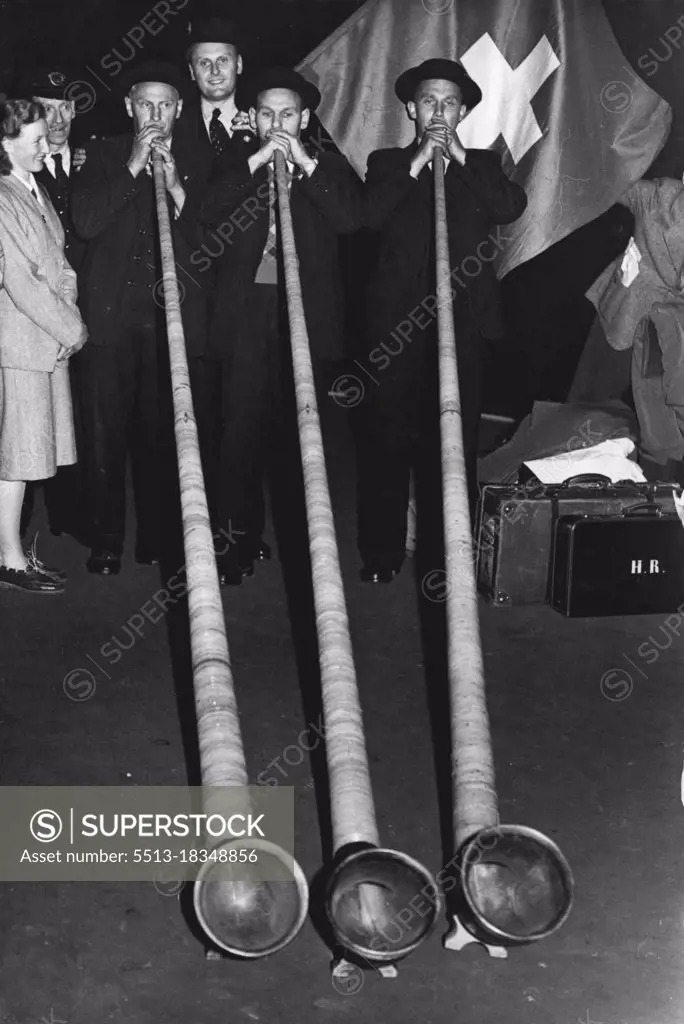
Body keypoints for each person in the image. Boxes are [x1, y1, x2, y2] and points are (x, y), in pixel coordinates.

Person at [356, 58, 527, 583]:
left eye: (448, 102)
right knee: (387, 440)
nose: (437, 110)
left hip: (464, 325)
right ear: (411, 108)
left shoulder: (481, 163)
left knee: (452, 443)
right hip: (397, 329)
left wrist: (456, 159)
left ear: (463, 110)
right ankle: (381, 557)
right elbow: (367, 215)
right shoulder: (387, 163)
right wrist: (416, 164)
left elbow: (509, 207)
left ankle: (444, 558)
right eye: (428, 100)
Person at [194, 67, 362, 584]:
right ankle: (235, 545)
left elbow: (352, 219)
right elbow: (204, 210)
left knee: (298, 437)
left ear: (305, 117)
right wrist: (254, 160)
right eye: (267, 113)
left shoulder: (328, 164)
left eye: (287, 114)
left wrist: (306, 163)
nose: (277, 123)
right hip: (246, 316)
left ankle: (299, 547)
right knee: (238, 432)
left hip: (304, 317)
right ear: (254, 116)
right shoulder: (234, 161)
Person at [70, 61, 210, 575]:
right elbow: (85, 223)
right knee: (103, 435)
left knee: (162, 437)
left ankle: (157, 538)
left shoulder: (197, 159)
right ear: (129, 106)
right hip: (108, 323)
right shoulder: (103, 154)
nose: (155, 113)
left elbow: (210, 244)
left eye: (165, 104)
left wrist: (176, 190)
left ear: (179, 108)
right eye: (144, 104)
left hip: (166, 324)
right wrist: (133, 165)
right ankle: (105, 540)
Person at [0, 98, 87, 593]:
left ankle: (12, 552)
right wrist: (71, 331)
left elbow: (61, 264)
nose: (44, 144)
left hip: (45, 342)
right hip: (20, 347)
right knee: (15, 460)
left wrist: (68, 314)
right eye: (32, 139)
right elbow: (22, 281)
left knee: (27, 457)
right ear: (4, 144)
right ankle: (10, 561)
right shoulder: (3, 196)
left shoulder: (36, 188)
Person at [16, 66, 89, 542]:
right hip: (30, 321)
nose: (58, 119)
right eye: (47, 109)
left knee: (72, 420)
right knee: (21, 429)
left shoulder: (95, 158)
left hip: (81, 311)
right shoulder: (19, 175)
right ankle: (13, 535)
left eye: (66, 107)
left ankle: (68, 519)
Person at [586, 177, 684, 480]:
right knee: (594, 403)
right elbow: (607, 180)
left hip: (672, 331)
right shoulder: (655, 195)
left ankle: (653, 487)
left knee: (660, 419)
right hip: (626, 313)